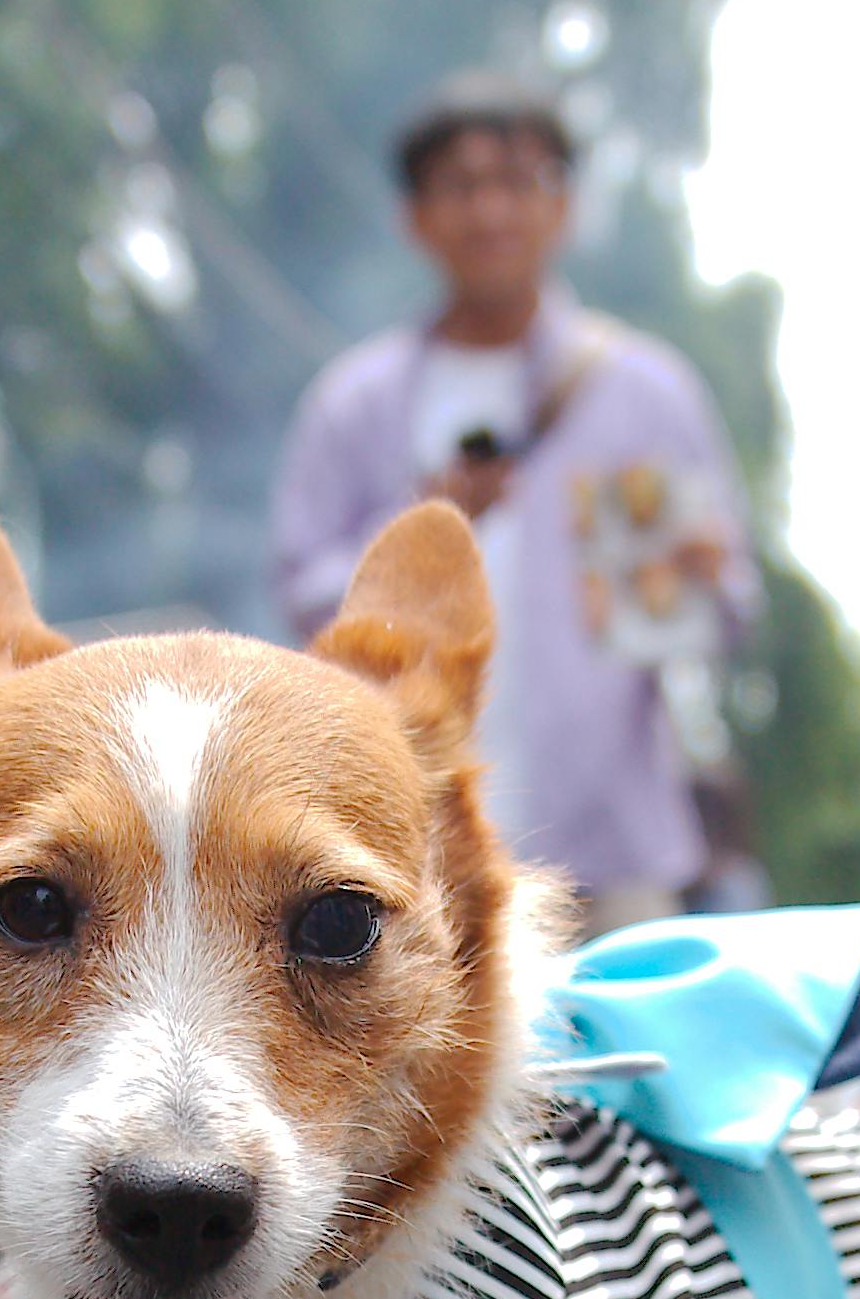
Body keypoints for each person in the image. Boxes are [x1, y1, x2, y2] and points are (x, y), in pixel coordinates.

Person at [270, 74, 755, 930]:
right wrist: (419, 538)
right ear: (415, 218)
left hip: (606, 846)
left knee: (628, 1061)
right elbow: (302, 601)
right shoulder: (356, 403)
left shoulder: (644, 393)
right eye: (460, 187)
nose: (490, 211)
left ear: (561, 209)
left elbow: (728, 613)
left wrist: (699, 579)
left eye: (517, 183)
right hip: (411, 849)